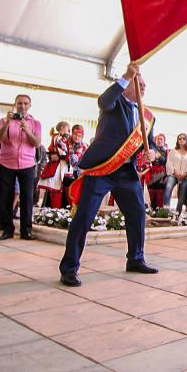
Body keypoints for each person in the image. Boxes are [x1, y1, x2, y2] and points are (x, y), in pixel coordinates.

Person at [59, 62, 158, 286]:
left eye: (144, 85)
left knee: (137, 214)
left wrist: (153, 153)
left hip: (126, 172)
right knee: (84, 217)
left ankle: (136, 259)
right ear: (127, 86)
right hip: (102, 169)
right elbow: (103, 100)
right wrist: (125, 76)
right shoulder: (113, 104)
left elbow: (149, 144)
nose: (143, 87)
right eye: (138, 83)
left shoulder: (148, 117)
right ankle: (69, 268)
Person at [0, 94, 42, 240]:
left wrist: (27, 130)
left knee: (27, 197)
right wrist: (7, 123)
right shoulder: (3, 121)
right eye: (20, 103)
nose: (23, 106)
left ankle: (26, 230)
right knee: (6, 197)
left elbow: (37, 143)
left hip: (27, 164)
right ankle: (7, 229)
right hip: (6, 163)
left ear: (30, 105)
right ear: (15, 104)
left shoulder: (35, 123)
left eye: (26, 103)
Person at [165, 133, 187, 213]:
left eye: (184, 138)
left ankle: (178, 211)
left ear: (186, 140)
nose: (181, 140)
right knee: (168, 186)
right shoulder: (173, 151)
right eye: (180, 138)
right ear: (177, 140)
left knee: (182, 191)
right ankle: (165, 209)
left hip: (185, 176)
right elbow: (169, 163)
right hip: (173, 174)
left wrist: (186, 174)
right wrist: (175, 173)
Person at [145, 133, 168, 208]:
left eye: (161, 139)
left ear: (164, 141)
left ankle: (160, 213)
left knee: (160, 195)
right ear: (155, 140)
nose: (159, 140)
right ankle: (151, 211)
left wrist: (167, 176)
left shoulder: (167, 152)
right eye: (158, 139)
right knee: (150, 194)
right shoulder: (150, 150)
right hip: (151, 173)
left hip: (162, 174)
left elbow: (167, 164)